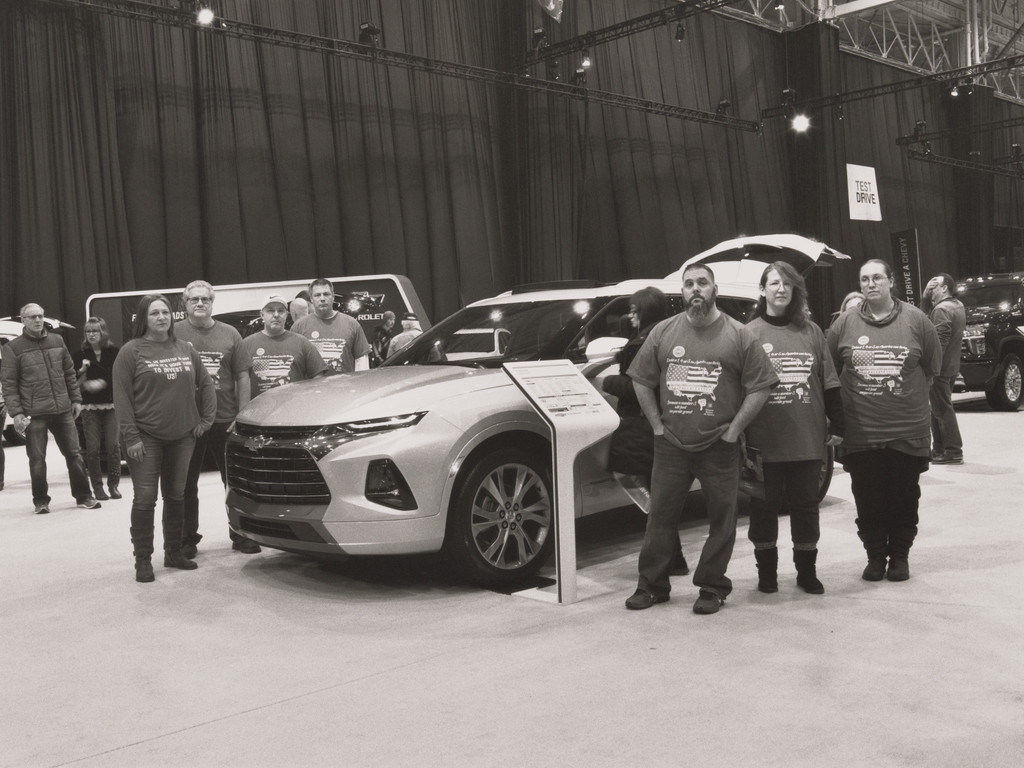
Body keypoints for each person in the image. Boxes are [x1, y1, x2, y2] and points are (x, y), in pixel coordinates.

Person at [624, 264, 778, 614]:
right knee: (659, 518)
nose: (696, 289)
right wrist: (657, 426)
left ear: (714, 289)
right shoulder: (663, 332)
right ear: (682, 291)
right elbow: (641, 380)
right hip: (670, 445)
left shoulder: (739, 335)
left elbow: (761, 387)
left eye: (702, 283)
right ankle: (651, 585)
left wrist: (734, 430)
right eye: (689, 283)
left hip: (719, 447)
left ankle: (712, 586)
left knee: (722, 520)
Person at [827, 259, 940, 583]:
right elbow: (830, 370)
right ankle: (876, 556)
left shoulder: (918, 321)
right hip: (861, 435)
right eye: (864, 279)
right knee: (868, 499)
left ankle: (900, 556)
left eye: (877, 277)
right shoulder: (844, 324)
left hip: (907, 432)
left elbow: (932, 368)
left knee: (904, 497)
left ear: (891, 281)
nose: (870, 283)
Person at [745, 262, 845, 595]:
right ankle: (767, 575)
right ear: (762, 290)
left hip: (806, 439)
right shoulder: (749, 333)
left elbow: (829, 381)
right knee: (763, 510)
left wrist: (838, 421)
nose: (781, 289)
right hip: (763, 441)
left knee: (805, 508)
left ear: (795, 290)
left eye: (788, 284)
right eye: (774, 283)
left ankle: (807, 573)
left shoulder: (813, 332)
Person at [113, 294, 217, 583]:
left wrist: (205, 421)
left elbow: (206, 384)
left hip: (183, 437)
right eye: (154, 313)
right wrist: (130, 436)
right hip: (145, 438)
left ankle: (173, 552)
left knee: (176, 496)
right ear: (144, 319)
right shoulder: (131, 351)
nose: (162, 317)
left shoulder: (185, 348)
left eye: (165, 312)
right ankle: (143, 560)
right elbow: (121, 399)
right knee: (145, 499)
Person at [603, 287, 689, 575]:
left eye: (633, 309)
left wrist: (608, 382)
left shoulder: (643, 341)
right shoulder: (668, 334)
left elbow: (638, 387)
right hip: (658, 424)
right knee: (657, 495)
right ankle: (673, 558)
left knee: (652, 496)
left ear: (644, 311)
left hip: (640, 425)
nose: (630, 315)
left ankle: (665, 560)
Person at [174, 280, 258, 557]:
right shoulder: (173, 333)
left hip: (225, 419)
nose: (200, 304)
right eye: (194, 299)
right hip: (187, 421)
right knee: (186, 483)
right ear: (184, 304)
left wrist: (241, 414)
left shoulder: (230, 334)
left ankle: (241, 533)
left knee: (233, 480)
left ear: (212, 303)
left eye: (205, 299)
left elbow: (242, 375)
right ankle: (187, 539)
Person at [0, 303, 100, 514]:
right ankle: (41, 501)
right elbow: (9, 384)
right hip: (33, 413)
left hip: (63, 409)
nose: (38, 320)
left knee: (74, 454)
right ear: (23, 320)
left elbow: (70, 373)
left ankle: (84, 496)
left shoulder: (57, 340)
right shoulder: (12, 348)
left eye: (40, 316)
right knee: (37, 459)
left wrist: (76, 400)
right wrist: (16, 413)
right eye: (33, 317)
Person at [72, 317, 122, 501]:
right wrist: (83, 376)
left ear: (103, 332)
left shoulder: (114, 352)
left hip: (111, 404)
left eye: (95, 331)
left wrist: (103, 383)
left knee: (113, 446)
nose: (91, 334)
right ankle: (97, 487)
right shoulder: (79, 354)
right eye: (88, 331)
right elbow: (74, 384)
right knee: (92, 449)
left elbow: (120, 377)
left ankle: (113, 485)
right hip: (89, 406)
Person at [920, 273, 966, 464]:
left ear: (944, 288)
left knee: (942, 408)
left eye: (934, 287)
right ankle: (939, 449)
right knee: (938, 408)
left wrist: (931, 369)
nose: (931, 291)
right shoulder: (958, 305)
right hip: (951, 366)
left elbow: (938, 343)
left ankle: (953, 450)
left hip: (940, 369)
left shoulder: (942, 310)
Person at [241, 294, 326, 395]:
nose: (276, 315)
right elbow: (239, 381)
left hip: (293, 409)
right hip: (259, 409)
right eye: (270, 310)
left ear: (286, 314)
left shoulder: (302, 343)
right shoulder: (246, 345)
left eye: (281, 311)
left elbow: (319, 377)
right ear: (262, 314)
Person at [291, 278, 371, 373]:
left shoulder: (352, 324)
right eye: (317, 295)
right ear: (311, 299)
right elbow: (294, 366)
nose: (322, 299)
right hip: (312, 387)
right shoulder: (298, 327)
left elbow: (361, 362)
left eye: (326, 294)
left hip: (345, 387)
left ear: (333, 296)